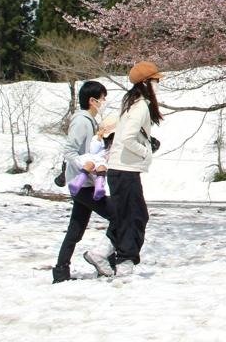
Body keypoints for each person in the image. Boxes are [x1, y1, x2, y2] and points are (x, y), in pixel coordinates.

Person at [84, 61, 162, 279]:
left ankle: (101, 252)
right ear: (146, 83)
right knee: (137, 217)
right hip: (125, 169)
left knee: (125, 216)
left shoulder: (131, 103)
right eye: (156, 81)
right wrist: (145, 152)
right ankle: (125, 260)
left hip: (120, 169)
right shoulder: (140, 106)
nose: (158, 85)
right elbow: (127, 137)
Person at [53, 81, 113, 283]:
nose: (104, 102)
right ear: (92, 100)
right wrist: (86, 163)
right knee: (118, 216)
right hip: (82, 183)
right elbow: (70, 151)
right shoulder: (82, 122)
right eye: (103, 98)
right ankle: (106, 262)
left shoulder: (90, 121)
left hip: (85, 182)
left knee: (76, 229)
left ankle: (61, 271)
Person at [66, 117, 117, 201]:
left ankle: (99, 188)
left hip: (103, 161)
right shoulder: (97, 139)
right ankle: (77, 183)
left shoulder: (114, 143)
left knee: (102, 168)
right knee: (89, 164)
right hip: (93, 158)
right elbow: (93, 150)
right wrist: (98, 139)